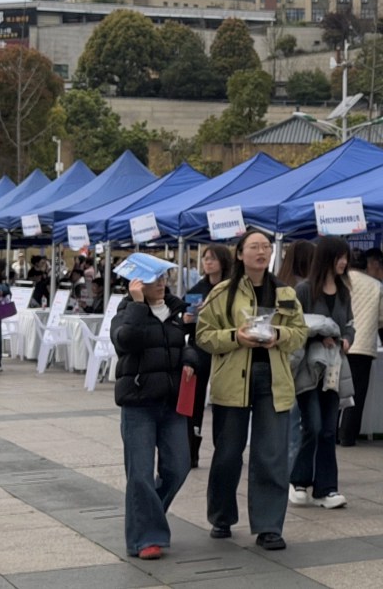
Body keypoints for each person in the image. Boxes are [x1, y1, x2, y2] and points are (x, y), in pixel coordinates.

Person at [196, 230, 307, 551]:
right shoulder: (222, 292)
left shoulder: (285, 292)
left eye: (266, 247)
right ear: (240, 254)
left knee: (271, 455)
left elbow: (300, 333)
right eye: (254, 247)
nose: (262, 252)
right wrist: (236, 337)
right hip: (232, 381)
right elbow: (203, 335)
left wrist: (278, 335)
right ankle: (221, 516)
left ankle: (269, 526)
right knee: (228, 453)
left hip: (273, 380)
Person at [110, 268, 199, 560]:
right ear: (137, 282)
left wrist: (189, 360)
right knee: (140, 473)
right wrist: (138, 304)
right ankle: (146, 538)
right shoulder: (126, 311)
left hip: (172, 403)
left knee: (178, 467)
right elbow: (125, 341)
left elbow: (189, 343)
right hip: (139, 402)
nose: (161, 283)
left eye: (163, 277)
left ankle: (146, 518)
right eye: (153, 279)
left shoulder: (176, 310)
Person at [289, 237, 355, 509]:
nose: (344, 262)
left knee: (328, 429)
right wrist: (318, 336)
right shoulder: (304, 290)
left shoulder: (343, 291)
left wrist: (346, 339)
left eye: (346, 257)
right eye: (340, 257)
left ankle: (326, 488)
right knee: (313, 426)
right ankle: (299, 481)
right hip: (308, 369)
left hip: (333, 368)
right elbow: (295, 327)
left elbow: (349, 324)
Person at [184, 244, 232, 468]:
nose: (208, 262)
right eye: (205, 258)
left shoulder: (232, 288)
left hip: (226, 349)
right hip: (200, 350)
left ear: (223, 261)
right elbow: (186, 324)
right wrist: (187, 318)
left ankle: (224, 449)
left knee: (224, 401)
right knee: (194, 403)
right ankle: (191, 450)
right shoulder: (197, 289)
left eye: (212, 258)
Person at [337, 249, 383, 446]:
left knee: (334, 388)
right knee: (356, 393)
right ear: (366, 265)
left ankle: (331, 432)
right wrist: (371, 324)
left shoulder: (339, 282)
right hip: (363, 345)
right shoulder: (377, 286)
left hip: (339, 342)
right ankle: (348, 435)